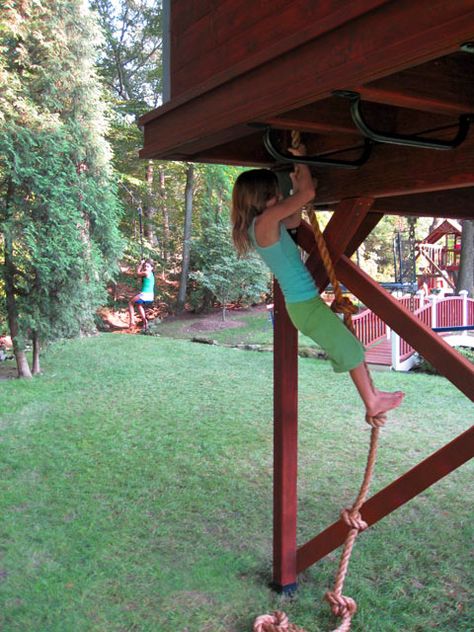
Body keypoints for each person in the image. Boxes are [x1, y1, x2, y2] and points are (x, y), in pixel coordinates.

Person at [231, 151, 404, 422]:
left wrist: (297, 186)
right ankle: (372, 400)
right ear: (262, 197)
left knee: (350, 347)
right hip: (305, 306)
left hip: (305, 305)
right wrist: (301, 161)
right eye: (275, 194)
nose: (279, 198)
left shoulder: (263, 224)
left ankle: (373, 396)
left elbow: (294, 220)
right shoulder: (264, 222)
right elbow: (308, 193)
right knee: (350, 350)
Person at [128, 259, 155, 330]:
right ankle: (145, 322)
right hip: (150, 296)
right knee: (139, 305)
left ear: (152, 268)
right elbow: (147, 285)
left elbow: (137, 273)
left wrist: (141, 264)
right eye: (145, 266)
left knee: (130, 303)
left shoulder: (146, 273)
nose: (146, 268)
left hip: (145, 295)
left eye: (148, 266)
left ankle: (132, 322)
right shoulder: (152, 274)